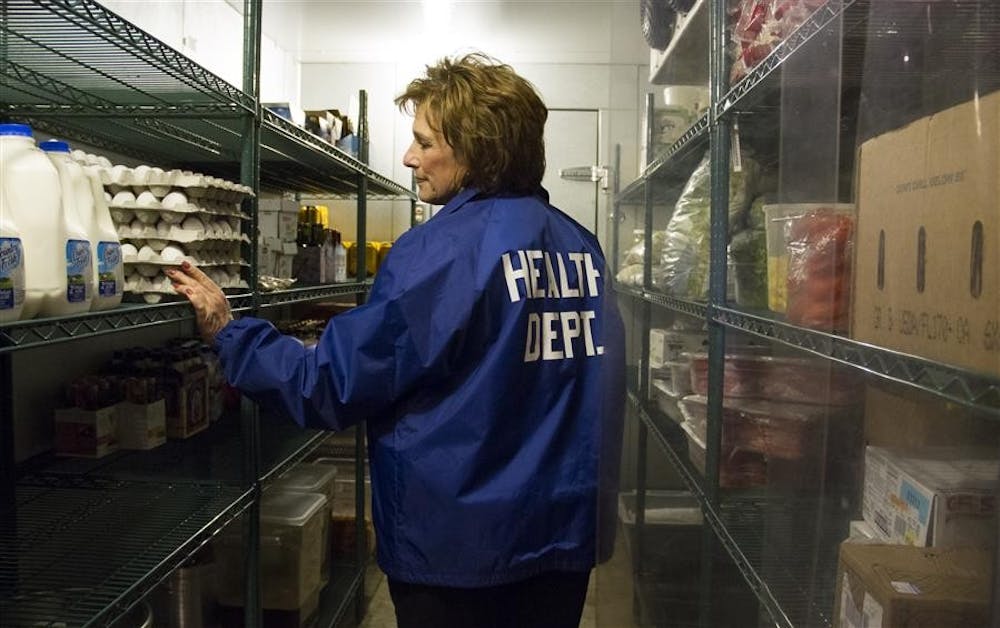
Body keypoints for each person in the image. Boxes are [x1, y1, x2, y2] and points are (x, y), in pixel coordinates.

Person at [168, 52, 625, 628]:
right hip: (561, 539)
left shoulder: (441, 253)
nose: (409, 157)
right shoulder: (581, 247)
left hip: (460, 553)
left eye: (424, 142)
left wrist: (231, 332)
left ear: (477, 150)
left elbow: (329, 384)